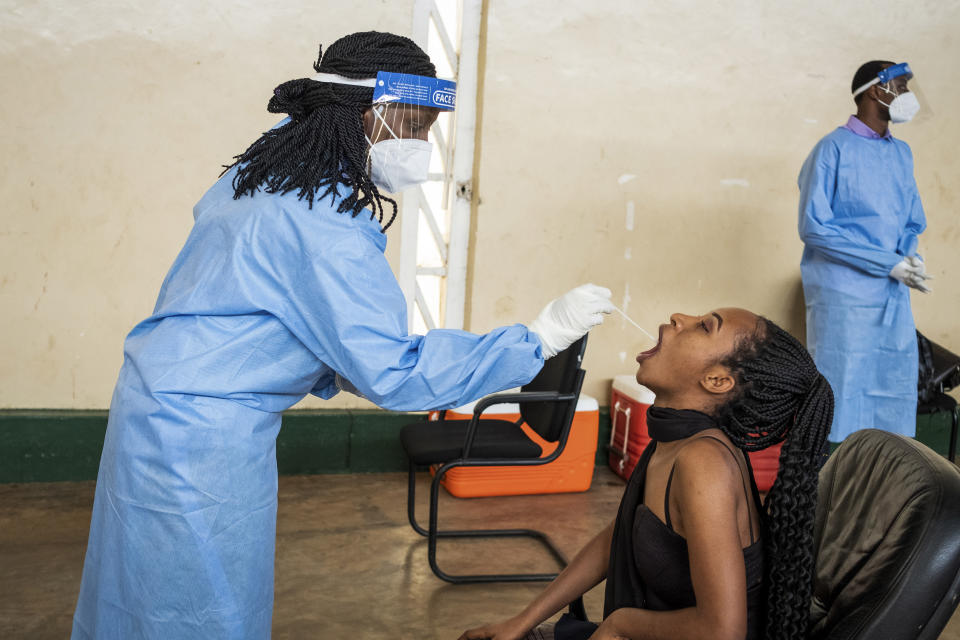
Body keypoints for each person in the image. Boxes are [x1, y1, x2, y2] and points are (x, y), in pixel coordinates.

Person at [71, 31, 613, 639]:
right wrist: (537, 339)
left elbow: (279, 319)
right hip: (201, 437)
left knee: (134, 591)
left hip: (154, 406)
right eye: (418, 126)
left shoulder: (259, 177)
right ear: (370, 115)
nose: (423, 145)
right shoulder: (323, 223)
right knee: (197, 605)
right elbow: (392, 371)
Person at [460, 309, 833, 640]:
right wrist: (521, 621)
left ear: (717, 381)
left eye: (704, 327)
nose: (678, 318)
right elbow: (618, 536)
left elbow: (723, 631)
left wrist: (620, 624)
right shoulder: (673, 437)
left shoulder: (704, 463)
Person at [798, 60, 931, 444]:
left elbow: (911, 219)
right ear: (877, 90)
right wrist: (886, 263)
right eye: (901, 87)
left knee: (891, 383)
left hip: (891, 295)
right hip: (844, 299)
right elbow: (815, 228)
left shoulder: (900, 153)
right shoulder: (831, 149)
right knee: (842, 389)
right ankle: (832, 488)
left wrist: (907, 257)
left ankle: (883, 491)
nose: (907, 96)